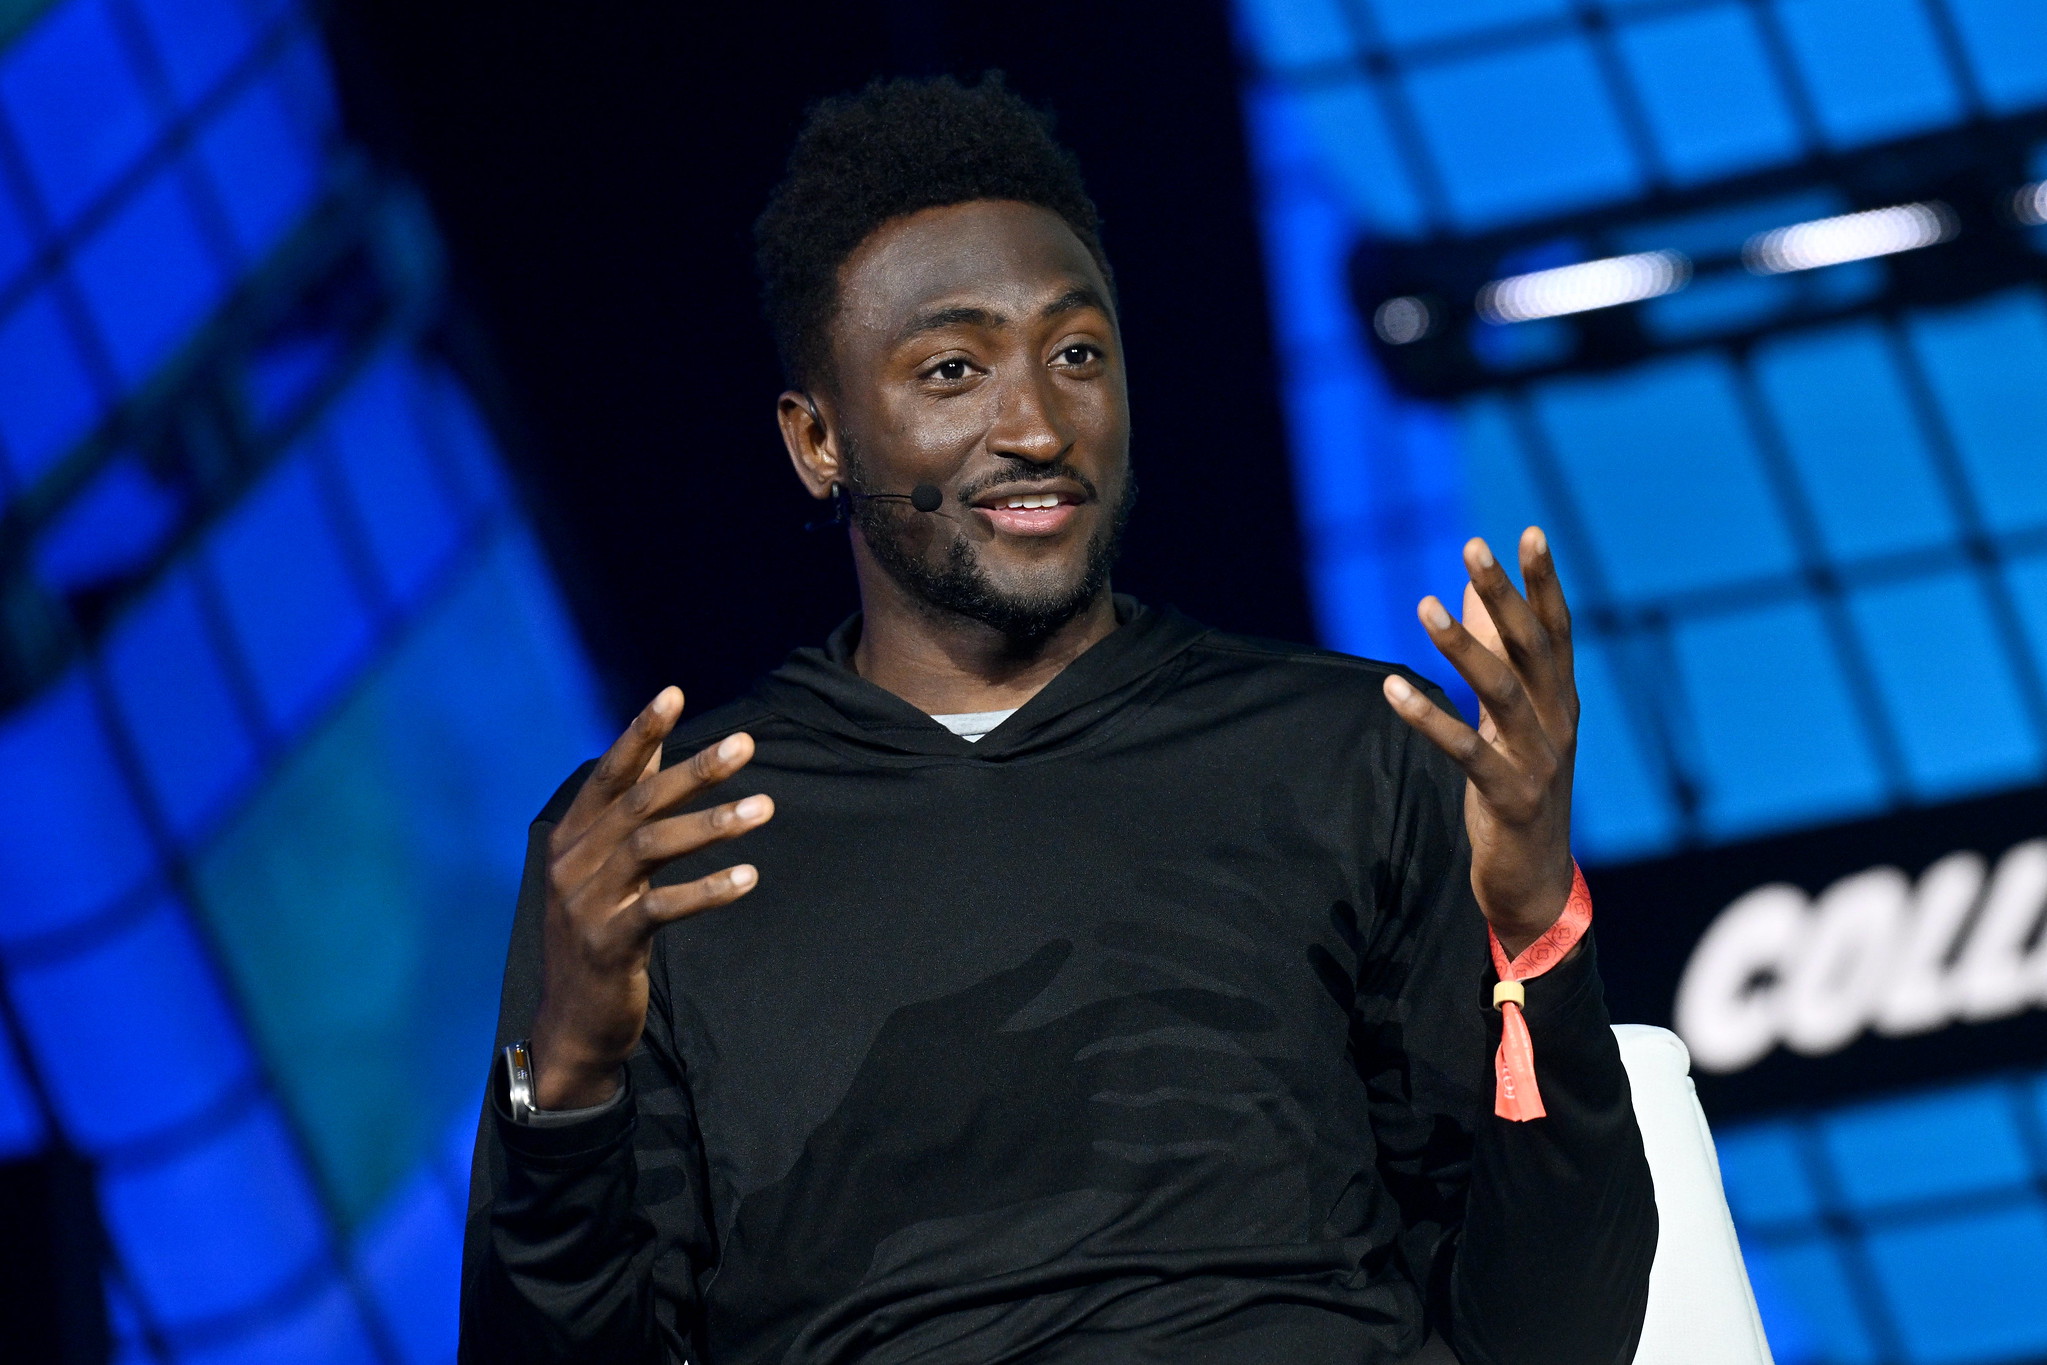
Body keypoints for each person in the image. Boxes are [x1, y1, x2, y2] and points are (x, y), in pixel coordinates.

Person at [460, 74, 1656, 1365]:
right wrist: (569, 1080)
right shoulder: (653, 845)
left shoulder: (1353, 750)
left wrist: (1536, 932)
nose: (1034, 424)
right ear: (818, 439)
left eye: (1077, 354)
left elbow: (1554, 1334)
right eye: (953, 369)